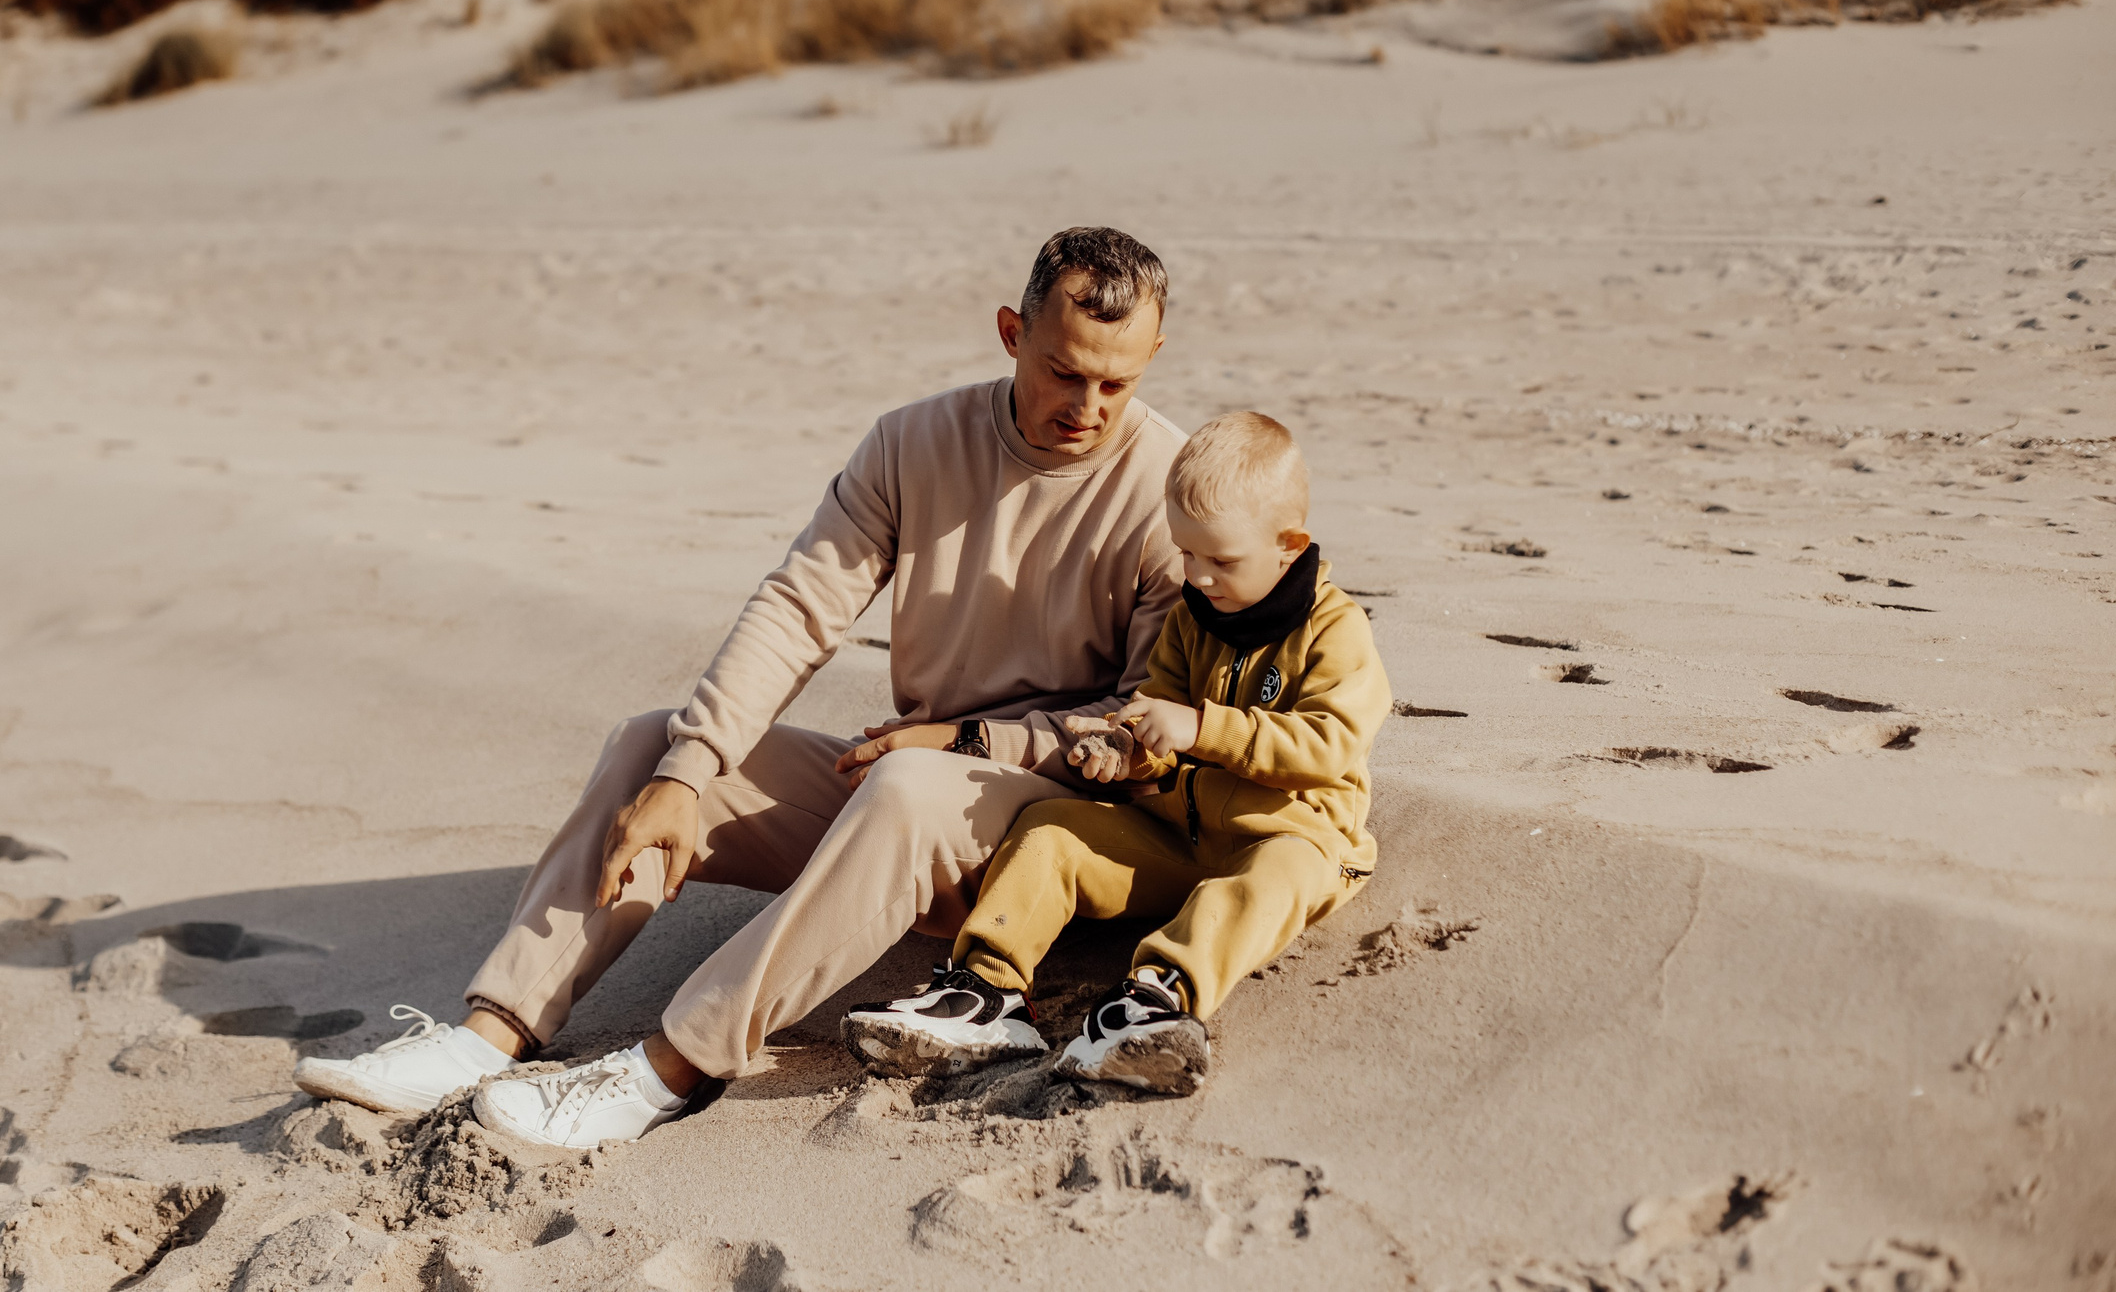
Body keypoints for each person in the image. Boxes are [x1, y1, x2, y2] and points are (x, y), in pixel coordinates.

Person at [292, 227, 1188, 1146]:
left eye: (1116, 383)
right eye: (1063, 371)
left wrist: (963, 741)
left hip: (1049, 837)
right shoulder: (912, 442)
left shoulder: (1170, 489)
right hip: (899, 805)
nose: (1087, 406)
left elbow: (1136, 730)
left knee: (906, 783)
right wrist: (688, 770)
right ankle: (490, 1035)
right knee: (652, 746)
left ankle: (667, 1069)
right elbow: (799, 607)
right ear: (1011, 332)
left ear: (1154, 354)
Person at [841, 410, 1390, 1097]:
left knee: (1266, 879)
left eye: (1222, 560)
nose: (1199, 577)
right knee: (1051, 829)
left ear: (1289, 546)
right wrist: (1126, 751)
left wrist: (1201, 727)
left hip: (1294, 836)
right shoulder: (1190, 620)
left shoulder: (1335, 629)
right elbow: (1154, 723)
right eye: (1186, 554)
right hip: (1181, 836)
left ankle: (1156, 1002)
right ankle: (986, 993)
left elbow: (1329, 745)